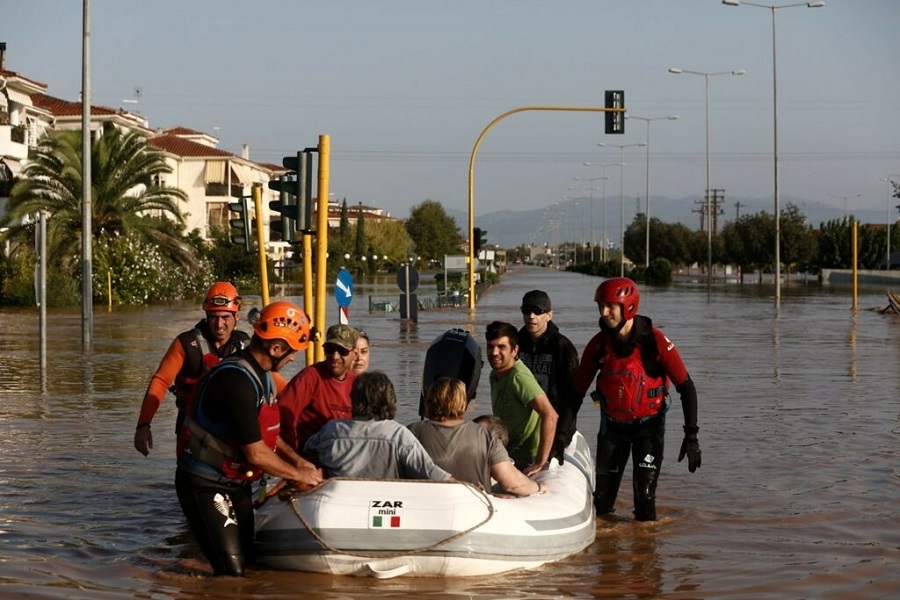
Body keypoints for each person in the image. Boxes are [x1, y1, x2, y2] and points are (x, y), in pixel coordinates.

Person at [174, 301, 323, 576]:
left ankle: (187, 575)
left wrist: (301, 463)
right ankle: (159, 580)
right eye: (292, 352)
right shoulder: (237, 381)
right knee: (232, 575)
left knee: (253, 564)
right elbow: (256, 453)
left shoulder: (263, 376)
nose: (293, 359)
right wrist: (298, 476)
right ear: (275, 349)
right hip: (204, 483)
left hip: (234, 482)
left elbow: (268, 436)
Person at [574, 277, 701, 522]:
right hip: (612, 430)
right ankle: (607, 556)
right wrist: (562, 434)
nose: (604, 312)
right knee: (602, 503)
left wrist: (691, 436)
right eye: (601, 305)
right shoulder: (599, 345)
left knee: (645, 502)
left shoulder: (656, 342)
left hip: (649, 431)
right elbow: (576, 392)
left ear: (628, 306)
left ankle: (645, 556)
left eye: (610, 305)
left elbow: (686, 387)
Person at [134, 282, 250, 457]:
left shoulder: (246, 345)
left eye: (225, 317)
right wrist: (143, 425)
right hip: (191, 430)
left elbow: (271, 384)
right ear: (206, 315)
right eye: (213, 317)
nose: (219, 324)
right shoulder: (186, 344)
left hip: (232, 432)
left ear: (237, 316)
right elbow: (161, 381)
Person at [410, 377, 545, 496]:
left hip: (420, 509)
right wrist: (539, 486)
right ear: (464, 403)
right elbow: (513, 484)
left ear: (429, 401)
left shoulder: (411, 433)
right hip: (474, 512)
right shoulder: (486, 437)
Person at [306, 372, 452, 481]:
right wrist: (467, 487)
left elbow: (307, 452)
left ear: (354, 399)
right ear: (389, 399)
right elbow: (431, 472)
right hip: (387, 507)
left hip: (339, 505)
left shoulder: (332, 430)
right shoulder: (397, 434)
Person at [485, 321, 558, 477]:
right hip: (508, 452)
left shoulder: (518, 376)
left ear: (514, 350)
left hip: (526, 456)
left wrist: (539, 462)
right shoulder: (494, 374)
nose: (494, 352)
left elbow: (550, 415)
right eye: (490, 347)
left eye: (501, 347)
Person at [517, 289, 583, 463]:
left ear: (549, 315)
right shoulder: (515, 344)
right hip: (523, 429)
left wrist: (561, 434)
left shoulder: (563, 347)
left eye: (538, 311)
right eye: (527, 311)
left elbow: (573, 396)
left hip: (553, 429)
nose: (531, 316)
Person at [279, 324, 359, 454]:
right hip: (311, 456)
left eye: (342, 351)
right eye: (329, 349)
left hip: (344, 456)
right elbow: (283, 416)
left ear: (355, 354)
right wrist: (294, 457)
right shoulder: (309, 378)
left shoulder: (356, 383)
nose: (335, 357)